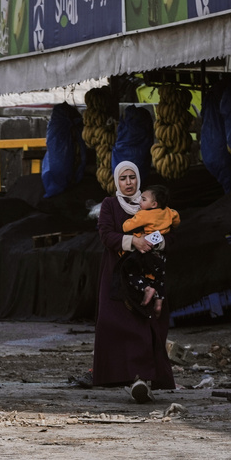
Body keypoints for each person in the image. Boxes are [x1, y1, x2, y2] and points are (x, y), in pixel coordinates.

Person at [92, 161, 174, 404]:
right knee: (119, 325)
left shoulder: (150, 203)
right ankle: (132, 378)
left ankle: (144, 379)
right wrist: (133, 242)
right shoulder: (110, 205)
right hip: (118, 276)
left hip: (147, 275)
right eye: (123, 178)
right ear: (117, 182)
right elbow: (106, 234)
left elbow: (169, 231)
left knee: (147, 325)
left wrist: (152, 241)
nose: (128, 183)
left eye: (132, 178)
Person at [119, 185, 180, 318]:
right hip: (162, 253)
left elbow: (126, 227)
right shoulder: (170, 212)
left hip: (148, 251)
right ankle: (159, 302)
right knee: (160, 278)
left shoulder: (144, 215)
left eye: (143, 199)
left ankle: (147, 288)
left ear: (154, 204)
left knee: (133, 273)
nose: (140, 202)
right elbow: (176, 220)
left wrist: (131, 219)